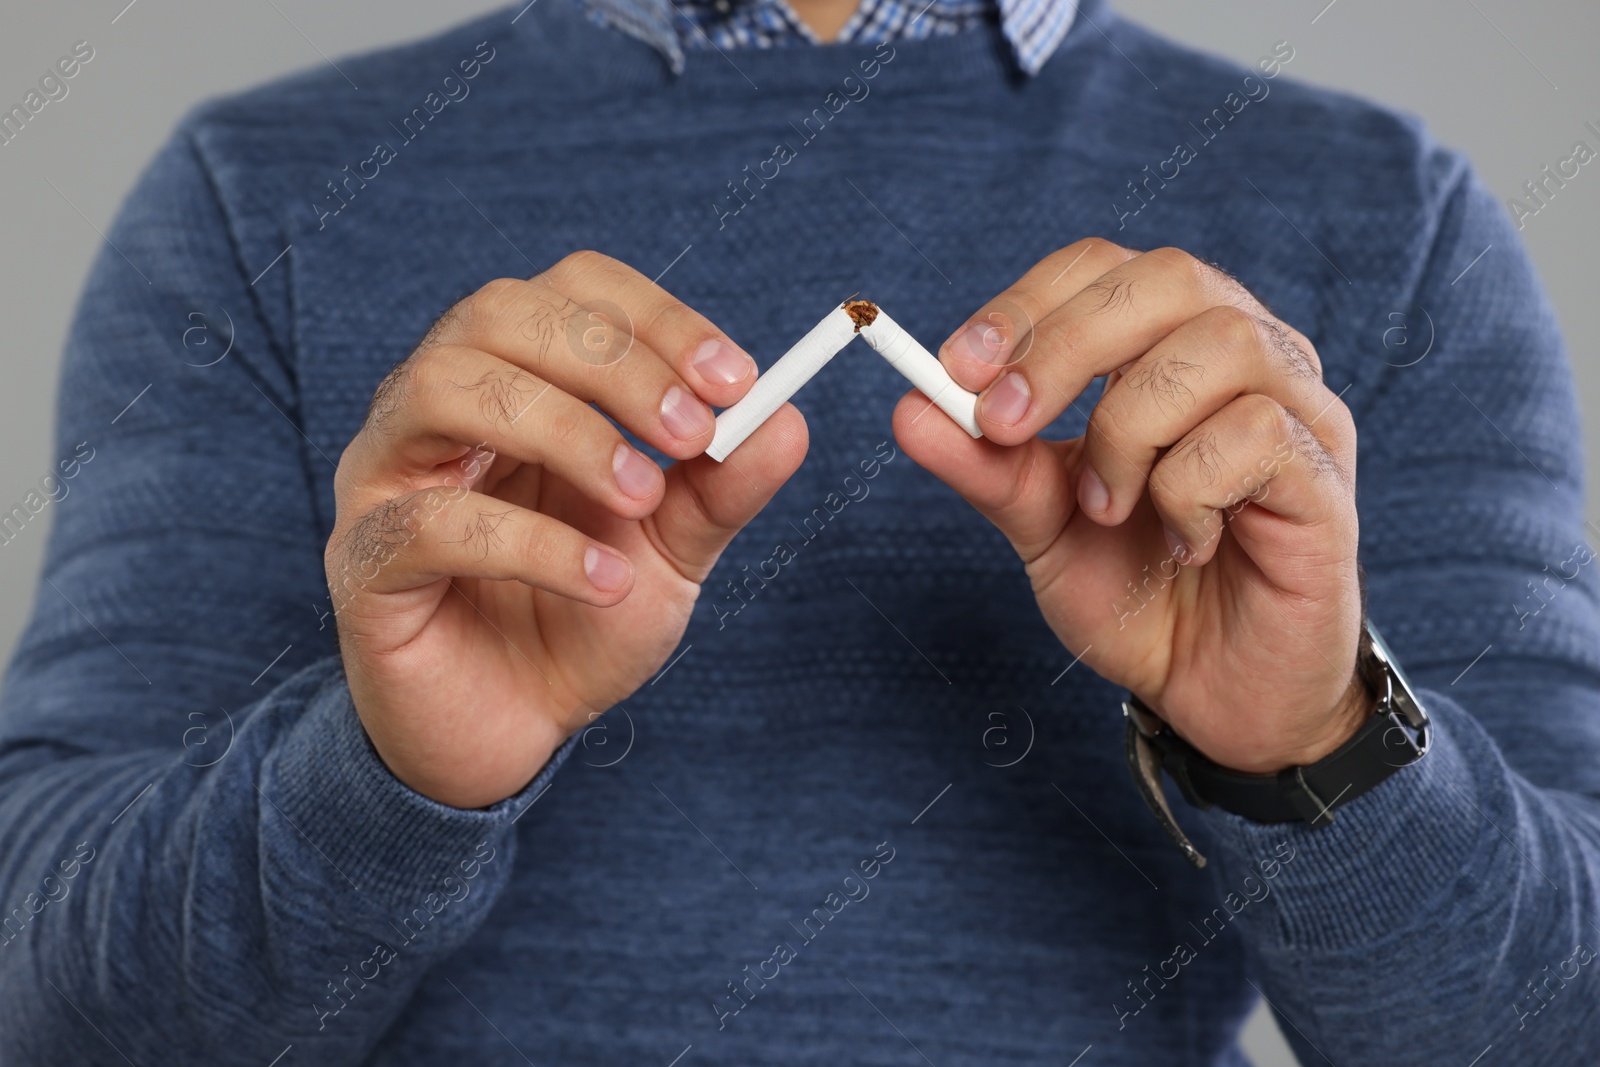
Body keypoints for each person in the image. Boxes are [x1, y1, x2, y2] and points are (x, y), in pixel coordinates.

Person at [0, 0, 1596, 1062]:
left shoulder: (1388, 219)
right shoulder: (251, 192)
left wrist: (1308, 748)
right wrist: (389, 780)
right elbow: (44, 998)